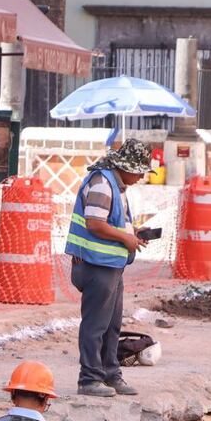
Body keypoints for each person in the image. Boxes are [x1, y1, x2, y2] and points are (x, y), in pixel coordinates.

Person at [66, 139, 154, 397]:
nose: (140, 177)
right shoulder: (102, 184)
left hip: (110, 265)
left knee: (112, 325)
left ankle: (110, 374)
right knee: (96, 325)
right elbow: (95, 224)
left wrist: (132, 233)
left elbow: (109, 223)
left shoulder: (117, 186)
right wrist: (126, 239)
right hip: (96, 266)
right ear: (125, 166)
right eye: (139, 171)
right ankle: (90, 379)